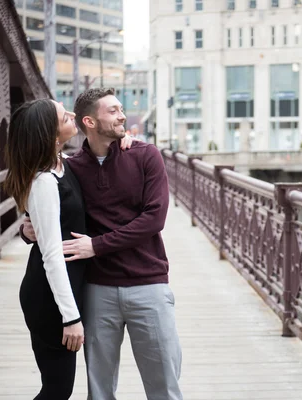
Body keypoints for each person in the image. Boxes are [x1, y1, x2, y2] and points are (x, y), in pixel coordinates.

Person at [22, 88, 183, 400]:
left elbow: (154, 219)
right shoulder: (71, 167)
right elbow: (51, 206)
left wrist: (96, 246)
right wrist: (28, 231)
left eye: (121, 108)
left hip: (148, 284)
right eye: (113, 110)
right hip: (96, 290)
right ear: (90, 121)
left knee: (164, 386)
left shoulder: (146, 155)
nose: (123, 116)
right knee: (99, 390)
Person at [4, 99, 87, 399]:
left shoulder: (61, 163)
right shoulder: (44, 182)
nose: (74, 115)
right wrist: (71, 318)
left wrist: (125, 139)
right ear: (51, 134)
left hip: (57, 294)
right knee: (57, 391)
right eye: (66, 116)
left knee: (57, 388)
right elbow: (52, 256)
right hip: (49, 300)